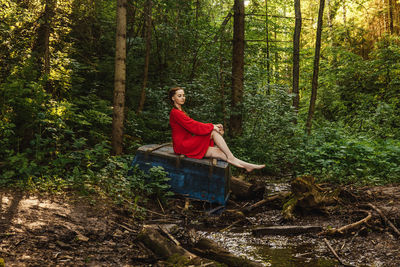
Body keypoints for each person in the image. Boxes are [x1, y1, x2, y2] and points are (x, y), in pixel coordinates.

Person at [169, 87, 265, 172]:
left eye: (183, 95)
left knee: (219, 152)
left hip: (187, 142)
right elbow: (193, 126)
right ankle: (231, 157)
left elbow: (193, 124)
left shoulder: (181, 111)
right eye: (179, 95)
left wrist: (213, 125)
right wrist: (212, 127)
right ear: (173, 98)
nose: (183, 98)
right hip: (182, 145)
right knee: (214, 132)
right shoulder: (175, 113)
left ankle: (247, 166)